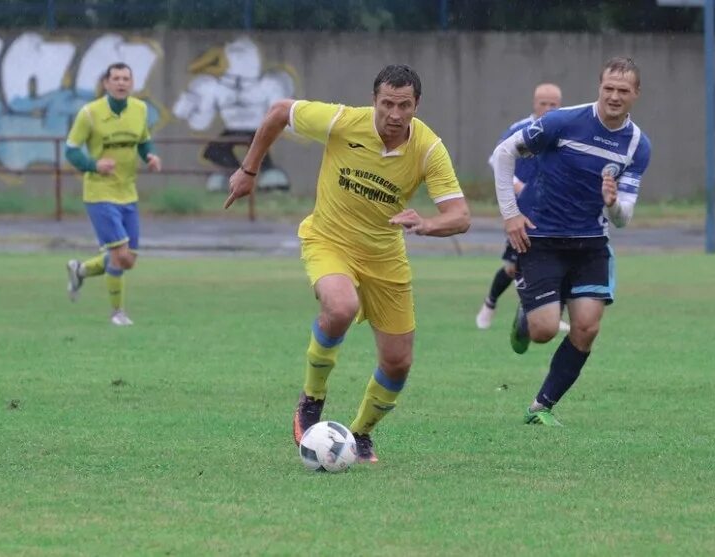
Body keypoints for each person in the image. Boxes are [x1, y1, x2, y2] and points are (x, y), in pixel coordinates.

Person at [224, 64, 470, 462]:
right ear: (374, 100)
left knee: (397, 363)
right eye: (387, 103)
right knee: (340, 306)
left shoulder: (428, 148)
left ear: (416, 105)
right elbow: (278, 112)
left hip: (385, 257)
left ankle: (361, 435)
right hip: (329, 240)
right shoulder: (342, 121)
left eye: (404, 105)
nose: (394, 114)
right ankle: (312, 399)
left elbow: (460, 216)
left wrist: (427, 223)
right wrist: (249, 169)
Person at [492, 57, 651, 426]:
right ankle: (526, 318)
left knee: (587, 328)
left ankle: (541, 407)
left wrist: (612, 204)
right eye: (608, 88)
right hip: (543, 239)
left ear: (636, 94)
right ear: (599, 87)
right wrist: (510, 213)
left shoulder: (637, 145)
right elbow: (504, 154)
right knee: (545, 330)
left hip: (591, 244)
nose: (614, 96)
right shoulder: (561, 122)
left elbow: (624, 217)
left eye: (623, 91)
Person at [64, 62, 162, 326]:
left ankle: (80, 270)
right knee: (119, 255)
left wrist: (149, 156)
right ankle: (117, 313)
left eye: (126, 79)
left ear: (132, 83)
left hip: (128, 192)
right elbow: (71, 150)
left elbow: (143, 141)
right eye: (116, 78)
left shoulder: (140, 110)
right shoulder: (90, 113)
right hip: (99, 193)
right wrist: (93, 165)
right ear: (106, 83)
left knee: (128, 260)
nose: (121, 83)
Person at [475, 83, 569, 334]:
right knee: (512, 267)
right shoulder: (520, 129)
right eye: (543, 103)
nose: (548, 108)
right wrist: (518, 187)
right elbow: (497, 158)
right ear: (534, 103)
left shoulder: (565, 131)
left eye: (553, 104)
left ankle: (548, 313)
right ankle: (490, 303)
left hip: (555, 212)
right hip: (522, 212)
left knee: (558, 262)